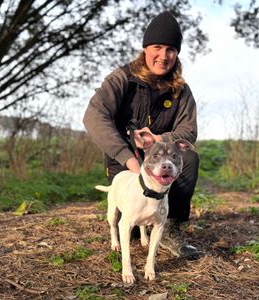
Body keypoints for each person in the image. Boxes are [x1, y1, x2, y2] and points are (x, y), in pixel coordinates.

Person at [83, 11, 199, 258]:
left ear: (177, 53)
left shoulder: (182, 90)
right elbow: (94, 116)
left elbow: (188, 132)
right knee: (132, 226)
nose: (163, 56)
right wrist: (129, 158)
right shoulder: (122, 78)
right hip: (124, 163)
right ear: (146, 48)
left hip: (160, 160)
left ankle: (172, 226)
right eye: (157, 47)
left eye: (171, 49)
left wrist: (158, 140)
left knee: (188, 158)